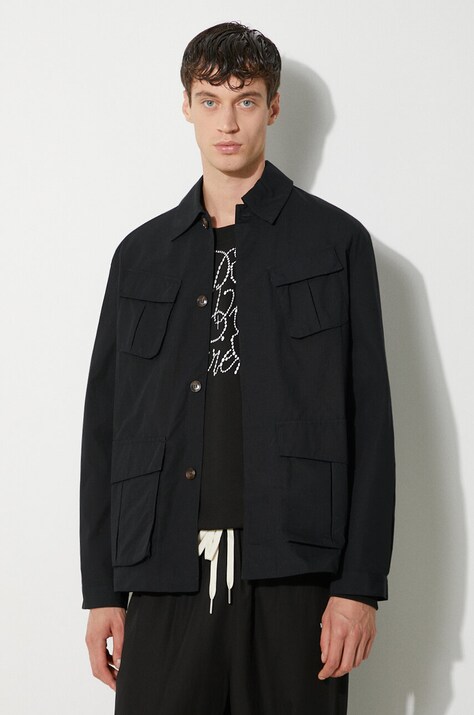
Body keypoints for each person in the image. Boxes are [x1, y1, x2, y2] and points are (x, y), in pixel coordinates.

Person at [80, 21, 396, 715]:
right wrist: (101, 589)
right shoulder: (140, 256)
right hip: (163, 570)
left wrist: (359, 585)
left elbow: (371, 421)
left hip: (295, 573)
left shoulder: (335, 242)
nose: (228, 122)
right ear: (186, 106)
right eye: (210, 100)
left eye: (246, 100)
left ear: (273, 107)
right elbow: (105, 426)